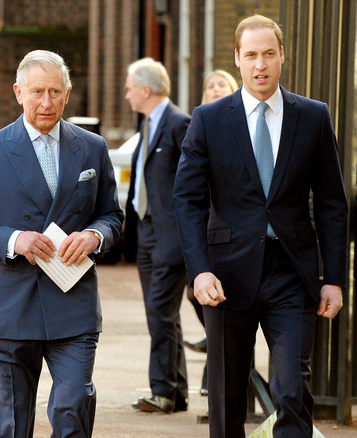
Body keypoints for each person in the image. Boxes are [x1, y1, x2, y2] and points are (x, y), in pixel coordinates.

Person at [173, 14, 348, 437]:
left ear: (282, 55)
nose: (260, 64)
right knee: (228, 396)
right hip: (226, 276)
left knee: (291, 391)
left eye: (269, 53)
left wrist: (334, 279)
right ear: (237, 59)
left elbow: (331, 204)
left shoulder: (313, 116)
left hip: (293, 273)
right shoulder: (209, 119)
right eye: (251, 55)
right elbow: (187, 201)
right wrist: (199, 271)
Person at [0, 50, 123, 437]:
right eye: (38, 92)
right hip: (9, 308)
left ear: (68, 93)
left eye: (55, 92)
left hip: (73, 305)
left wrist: (95, 235)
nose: (47, 102)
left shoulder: (92, 147)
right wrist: (14, 239)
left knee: (74, 405)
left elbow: (112, 216)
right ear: (18, 92)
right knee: (12, 424)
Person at [122, 58, 191, 414]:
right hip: (146, 232)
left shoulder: (180, 124)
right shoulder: (149, 124)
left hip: (170, 236)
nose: (127, 94)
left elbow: (195, 185)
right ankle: (175, 391)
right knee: (161, 313)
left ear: (146, 90)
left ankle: (163, 390)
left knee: (160, 312)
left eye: (130, 88)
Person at [182, 68, 240, 397]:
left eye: (222, 84)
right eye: (210, 85)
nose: (216, 89)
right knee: (201, 296)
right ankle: (214, 369)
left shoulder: (242, 122)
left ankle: (216, 375)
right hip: (205, 229)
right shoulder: (200, 123)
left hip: (235, 234)